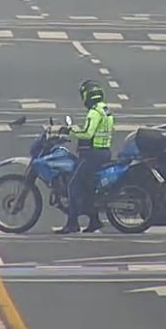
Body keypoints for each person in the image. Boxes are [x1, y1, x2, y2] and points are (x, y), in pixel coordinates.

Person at [55, 80, 115, 234]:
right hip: (104, 152)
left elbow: (87, 133)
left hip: (93, 154)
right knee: (87, 187)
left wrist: (71, 130)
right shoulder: (106, 110)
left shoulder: (94, 112)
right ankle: (94, 221)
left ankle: (72, 223)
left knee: (73, 184)